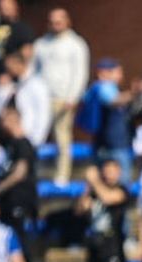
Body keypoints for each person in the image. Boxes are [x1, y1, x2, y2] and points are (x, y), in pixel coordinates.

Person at [34, 7, 89, 185]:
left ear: (67, 22)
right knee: (36, 136)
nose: (55, 25)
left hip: (63, 99)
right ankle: (36, 172)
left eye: (59, 21)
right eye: (52, 22)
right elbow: (34, 70)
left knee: (62, 138)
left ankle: (62, 174)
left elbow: (80, 73)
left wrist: (73, 97)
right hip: (42, 98)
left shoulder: (76, 44)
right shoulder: (41, 44)